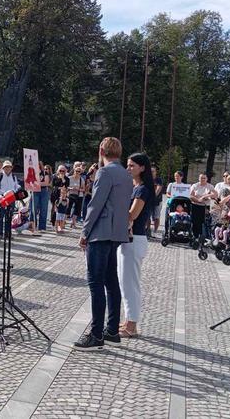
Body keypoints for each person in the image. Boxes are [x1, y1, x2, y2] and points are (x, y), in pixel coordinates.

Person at [75, 137, 133, 351]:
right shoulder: (126, 175)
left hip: (101, 233)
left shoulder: (105, 172)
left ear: (101, 151)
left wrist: (84, 232)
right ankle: (112, 331)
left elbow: (96, 204)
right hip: (116, 233)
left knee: (96, 282)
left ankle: (96, 334)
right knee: (111, 281)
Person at [118, 153, 154, 338]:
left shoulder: (143, 190)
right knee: (124, 283)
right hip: (127, 239)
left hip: (135, 239)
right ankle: (128, 320)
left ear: (142, 168)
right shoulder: (134, 187)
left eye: (132, 165)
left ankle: (132, 325)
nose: (128, 168)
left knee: (130, 284)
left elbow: (132, 215)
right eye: (128, 165)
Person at [189, 173, 216, 239]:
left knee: (204, 222)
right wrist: (198, 200)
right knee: (195, 222)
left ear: (207, 179)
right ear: (199, 178)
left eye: (204, 178)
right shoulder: (195, 185)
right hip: (195, 205)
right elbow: (190, 195)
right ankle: (195, 236)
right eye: (201, 178)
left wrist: (205, 196)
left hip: (205, 206)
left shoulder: (210, 186)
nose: (203, 179)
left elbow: (215, 194)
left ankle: (203, 236)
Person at [31, 161, 51, 232]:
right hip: (35, 191)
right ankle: (33, 226)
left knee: (43, 209)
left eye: (38, 164)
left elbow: (46, 183)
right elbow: (29, 182)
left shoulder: (45, 173)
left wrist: (36, 183)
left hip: (43, 192)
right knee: (33, 209)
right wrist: (38, 183)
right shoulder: (32, 173)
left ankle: (42, 227)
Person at [67, 164, 86, 228]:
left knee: (77, 209)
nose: (77, 172)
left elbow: (83, 189)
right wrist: (71, 188)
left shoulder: (81, 179)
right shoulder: (69, 178)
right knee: (68, 208)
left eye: (79, 171)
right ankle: (63, 222)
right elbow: (66, 187)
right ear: (74, 171)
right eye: (76, 171)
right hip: (70, 194)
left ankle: (73, 222)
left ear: (80, 173)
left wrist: (78, 189)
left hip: (79, 195)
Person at [149, 164, 164, 235]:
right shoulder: (147, 179)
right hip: (148, 201)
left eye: (153, 171)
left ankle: (155, 231)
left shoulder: (158, 180)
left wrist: (153, 196)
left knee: (156, 217)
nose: (151, 173)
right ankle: (148, 230)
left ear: (155, 172)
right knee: (147, 217)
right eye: (150, 171)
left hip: (157, 201)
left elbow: (158, 189)